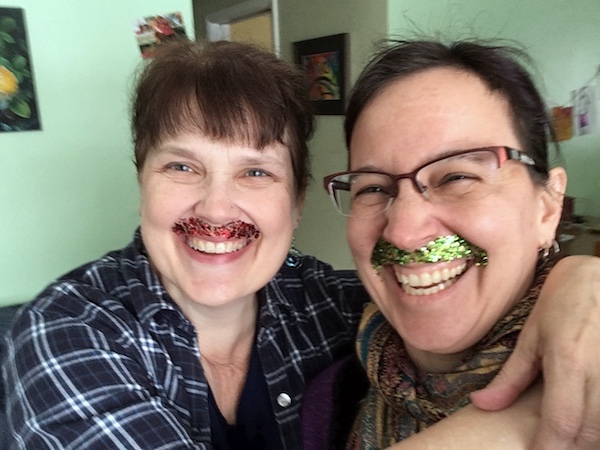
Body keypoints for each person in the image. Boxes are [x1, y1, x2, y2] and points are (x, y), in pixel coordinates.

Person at [2, 38, 600, 450]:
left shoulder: (334, 308)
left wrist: (578, 280)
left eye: (256, 171)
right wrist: (530, 419)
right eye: (181, 167)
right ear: (142, 185)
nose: (216, 209)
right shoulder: (66, 330)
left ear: (296, 203)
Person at [317, 38, 600, 449]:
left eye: (457, 177)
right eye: (374, 188)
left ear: (547, 207)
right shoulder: (330, 393)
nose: (404, 232)